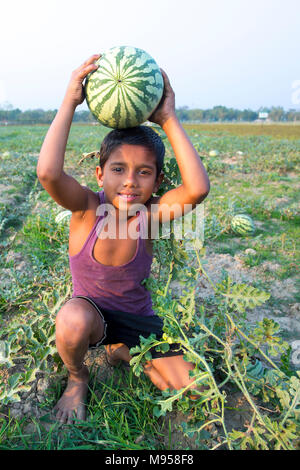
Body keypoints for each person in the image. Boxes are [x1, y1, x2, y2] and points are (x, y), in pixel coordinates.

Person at [37, 53, 210, 424]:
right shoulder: (85, 207)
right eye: (118, 169)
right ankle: (77, 376)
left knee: (192, 387)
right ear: (100, 174)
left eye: (144, 172)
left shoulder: (150, 217)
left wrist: (167, 118)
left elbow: (196, 189)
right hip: (90, 317)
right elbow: (49, 173)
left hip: (137, 325)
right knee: (70, 320)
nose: (130, 180)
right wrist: (69, 100)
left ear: (158, 182)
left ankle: (119, 351)